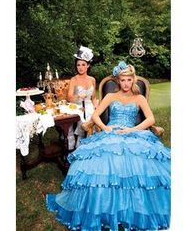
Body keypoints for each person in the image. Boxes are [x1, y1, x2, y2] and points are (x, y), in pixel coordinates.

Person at [46, 61, 171, 230]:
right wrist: (105, 128)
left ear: (133, 80)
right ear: (118, 81)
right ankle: (104, 209)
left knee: (142, 165)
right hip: (111, 133)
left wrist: (132, 129)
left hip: (134, 133)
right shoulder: (111, 96)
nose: (126, 84)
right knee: (101, 166)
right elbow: (96, 116)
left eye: (129, 80)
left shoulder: (139, 97)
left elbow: (150, 119)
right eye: (122, 80)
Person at [67, 46, 98, 149]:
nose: (80, 67)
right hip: (77, 107)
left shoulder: (92, 79)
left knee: (94, 117)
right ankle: (80, 145)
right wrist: (78, 96)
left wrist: (96, 107)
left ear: (88, 65)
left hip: (89, 106)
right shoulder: (74, 79)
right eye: (78, 65)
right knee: (84, 120)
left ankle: (91, 145)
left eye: (83, 64)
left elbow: (93, 97)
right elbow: (69, 98)